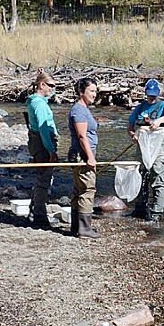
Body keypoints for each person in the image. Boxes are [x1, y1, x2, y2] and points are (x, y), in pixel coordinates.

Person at [127, 78, 164, 222]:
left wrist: (159, 121)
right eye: (149, 95)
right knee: (141, 174)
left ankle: (157, 212)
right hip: (143, 145)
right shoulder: (140, 107)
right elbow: (130, 125)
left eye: (154, 95)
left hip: (160, 145)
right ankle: (140, 209)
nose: (151, 98)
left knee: (157, 174)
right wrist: (132, 136)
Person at [24, 70, 59, 230]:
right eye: (51, 86)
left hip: (37, 144)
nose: (53, 89)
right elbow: (44, 130)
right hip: (43, 146)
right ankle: (39, 215)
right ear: (42, 85)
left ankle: (34, 211)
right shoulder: (39, 104)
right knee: (44, 179)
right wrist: (51, 150)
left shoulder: (34, 102)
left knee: (42, 177)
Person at [67, 77, 101, 239]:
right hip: (82, 155)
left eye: (96, 91)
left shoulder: (83, 109)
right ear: (81, 92)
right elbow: (82, 136)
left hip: (81, 154)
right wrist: (90, 157)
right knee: (87, 189)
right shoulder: (79, 110)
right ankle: (84, 229)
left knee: (79, 189)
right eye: (92, 91)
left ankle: (76, 227)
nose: (95, 94)